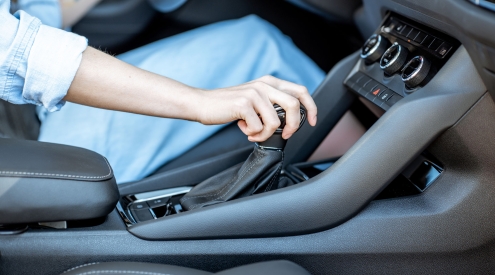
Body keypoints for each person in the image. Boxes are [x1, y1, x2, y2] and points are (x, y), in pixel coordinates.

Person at [1, 0, 325, 183]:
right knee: (261, 50)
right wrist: (200, 101)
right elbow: (19, 52)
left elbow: (27, 20)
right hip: (27, 153)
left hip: (24, 121)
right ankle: (353, 183)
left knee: (254, 40)